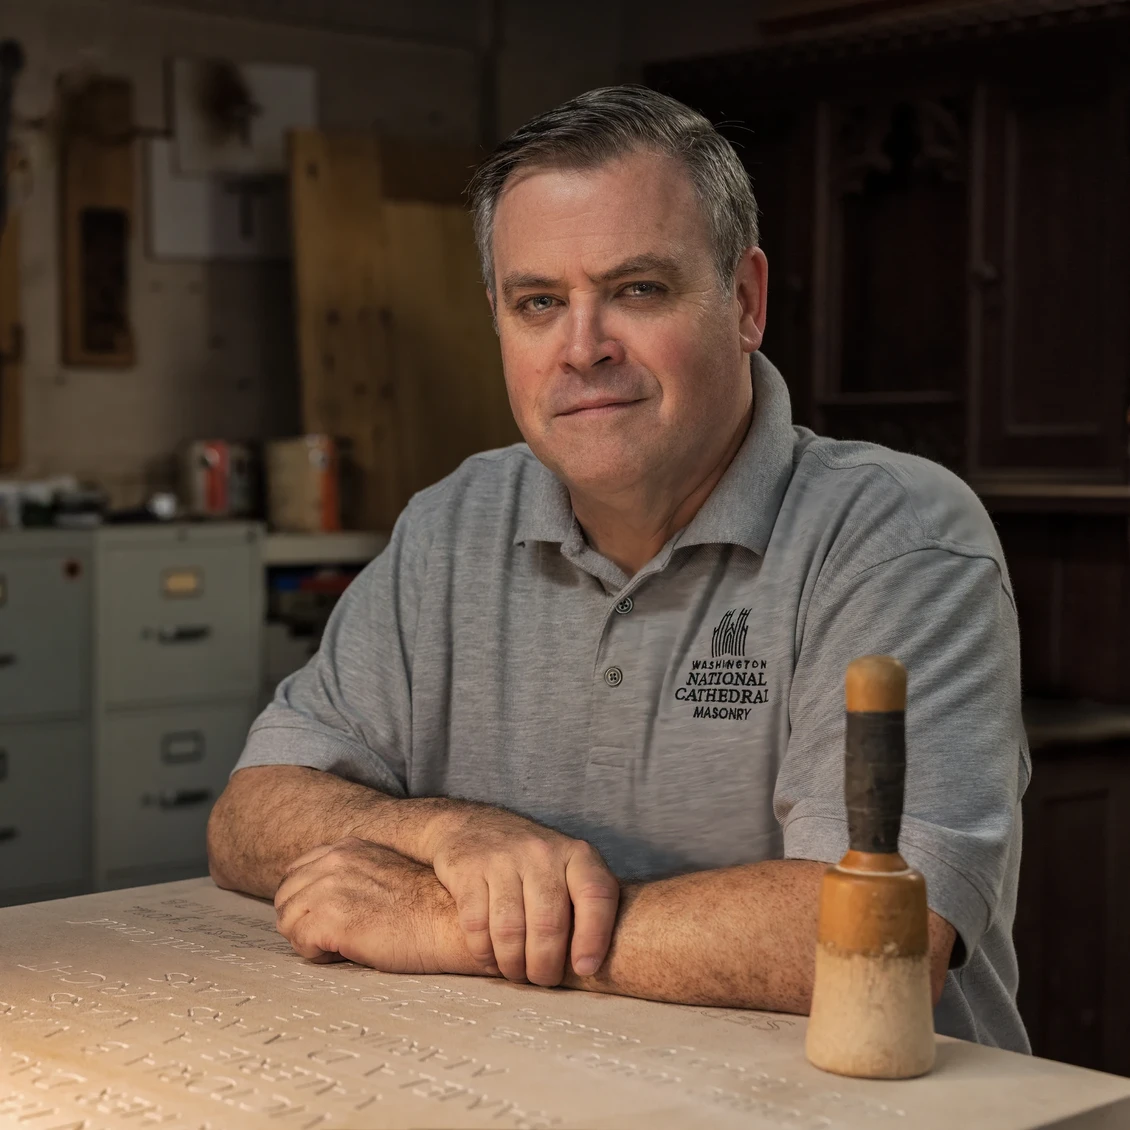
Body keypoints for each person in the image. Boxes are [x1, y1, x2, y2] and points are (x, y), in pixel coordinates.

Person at [208, 85, 1030, 1053]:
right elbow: (250, 812)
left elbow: (881, 934)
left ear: (745, 300)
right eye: (538, 303)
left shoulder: (895, 536)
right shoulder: (450, 525)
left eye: (636, 289)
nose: (581, 346)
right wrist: (448, 835)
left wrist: (450, 923)